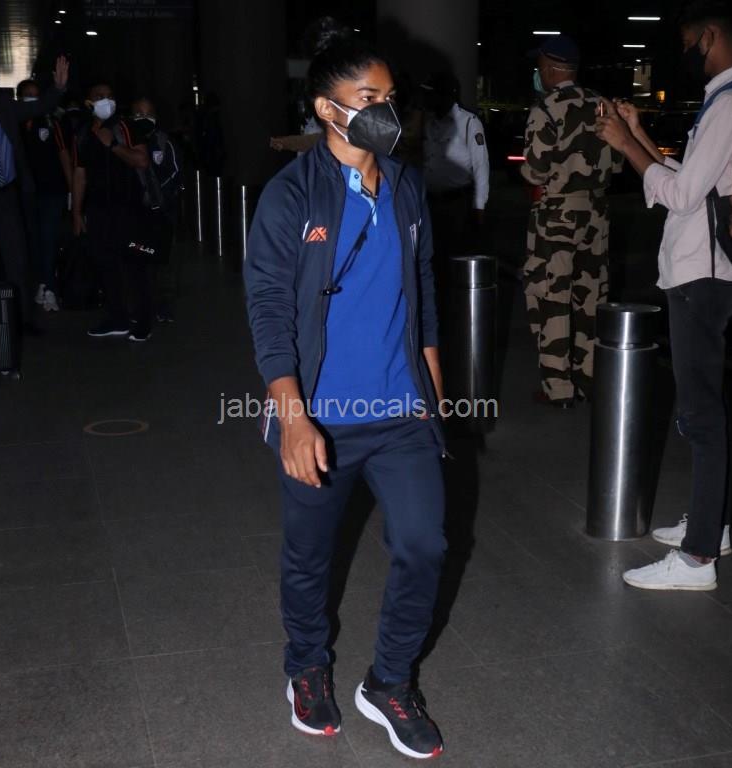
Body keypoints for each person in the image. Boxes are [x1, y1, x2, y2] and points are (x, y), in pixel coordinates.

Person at [244, 22, 446, 760]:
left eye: (389, 96)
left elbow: (422, 290)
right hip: (321, 415)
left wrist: (435, 395)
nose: (385, 109)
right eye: (369, 98)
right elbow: (268, 309)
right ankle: (306, 666)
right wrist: (293, 419)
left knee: (424, 545)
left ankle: (389, 682)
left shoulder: (407, 187)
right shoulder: (290, 196)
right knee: (310, 556)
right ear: (327, 109)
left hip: (400, 410)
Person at [597, 0, 732, 591]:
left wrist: (626, 146)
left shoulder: (729, 104)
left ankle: (699, 557)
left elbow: (681, 198)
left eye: (687, 44)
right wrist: (638, 135)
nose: (685, 55)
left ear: (710, 37)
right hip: (705, 270)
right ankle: (715, 525)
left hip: (701, 273)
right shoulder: (723, 101)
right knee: (711, 407)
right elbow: (692, 182)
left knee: (702, 414)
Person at [521, 35, 622, 408]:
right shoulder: (602, 106)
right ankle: (590, 376)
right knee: (591, 295)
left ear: (550, 69)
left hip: (557, 216)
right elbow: (618, 163)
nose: (538, 73)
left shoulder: (545, 109)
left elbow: (535, 170)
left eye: (540, 67)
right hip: (597, 214)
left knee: (552, 294)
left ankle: (558, 387)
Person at [0, 57, 68, 330]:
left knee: (16, 259)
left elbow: (39, 106)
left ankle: (23, 320)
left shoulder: (3, 105)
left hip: (5, 195)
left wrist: (58, 88)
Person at [72, 82, 151, 339]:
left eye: (110, 96)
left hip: (128, 207)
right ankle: (118, 317)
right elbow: (80, 174)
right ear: (89, 102)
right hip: (98, 209)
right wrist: (77, 212)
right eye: (100, 97)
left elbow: (142, 160)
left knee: (134, 263)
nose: (106, 101)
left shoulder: (124, 127)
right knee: (105, 263)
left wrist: (113, 145)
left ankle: (143, 320)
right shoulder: (83, 133)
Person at [422, 71, 490, 272]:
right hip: (428, 203)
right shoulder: (427, 122)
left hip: (456, 205)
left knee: (454, 260)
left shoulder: (469, 122)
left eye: (432, 94)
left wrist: (479, 207)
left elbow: (481, 166)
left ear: (446, 95)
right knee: (430, 258)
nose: (428, 98)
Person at [17, 79, 72, 313]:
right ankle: (42, 282)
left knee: (49, 238)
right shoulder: (14, 122)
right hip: (25, 192)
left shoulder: (51, 121)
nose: (31, 98)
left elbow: (64, 154)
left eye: (35, 94)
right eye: (27, 94)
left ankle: (50, 288)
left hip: (53, 191)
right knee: (34, 239)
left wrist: (72, 189)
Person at [129, 96, 181, 323]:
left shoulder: (165, 142)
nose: (143, 118)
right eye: (138, 114)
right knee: (137, 256)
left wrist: (158, 194)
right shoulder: (125, 142)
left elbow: (176, 172)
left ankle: (164, 305)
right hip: (136, 212)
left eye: (147, 113)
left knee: (165, 259)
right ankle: (141, 305)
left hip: (163, 212)